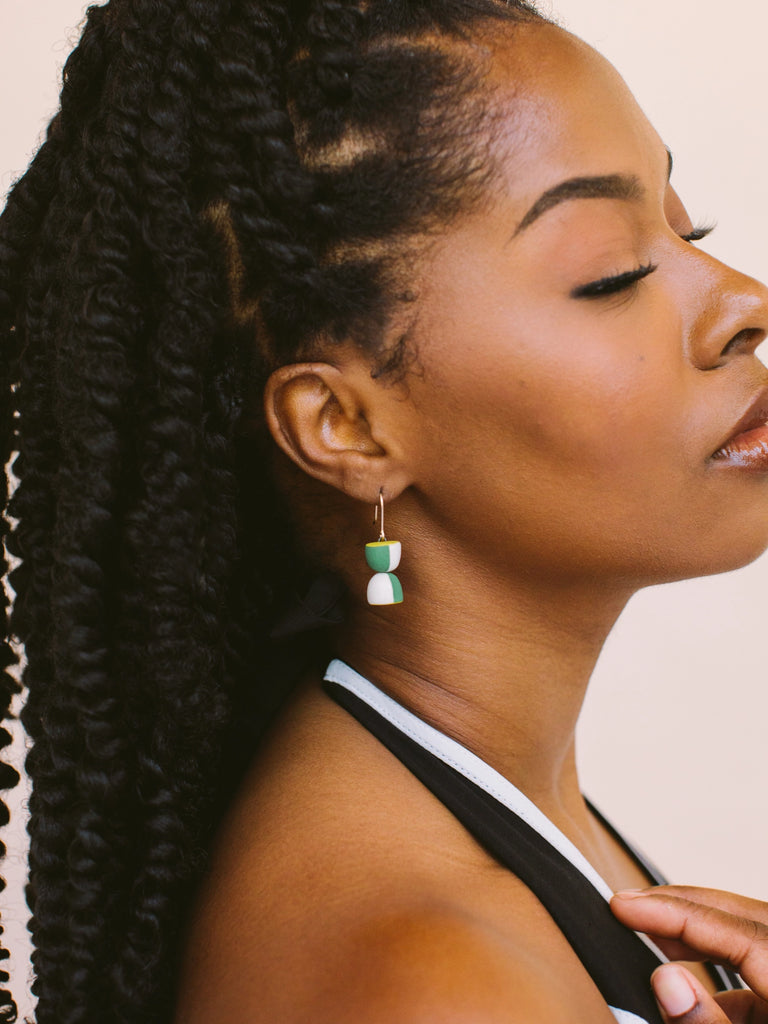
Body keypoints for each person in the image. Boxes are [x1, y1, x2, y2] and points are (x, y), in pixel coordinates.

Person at [2, 0, 768, 1021]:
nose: (745, 300)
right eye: (612, 272)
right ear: (347, 428)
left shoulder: (486, 806)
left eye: (686, 227)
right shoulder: (431, 977)